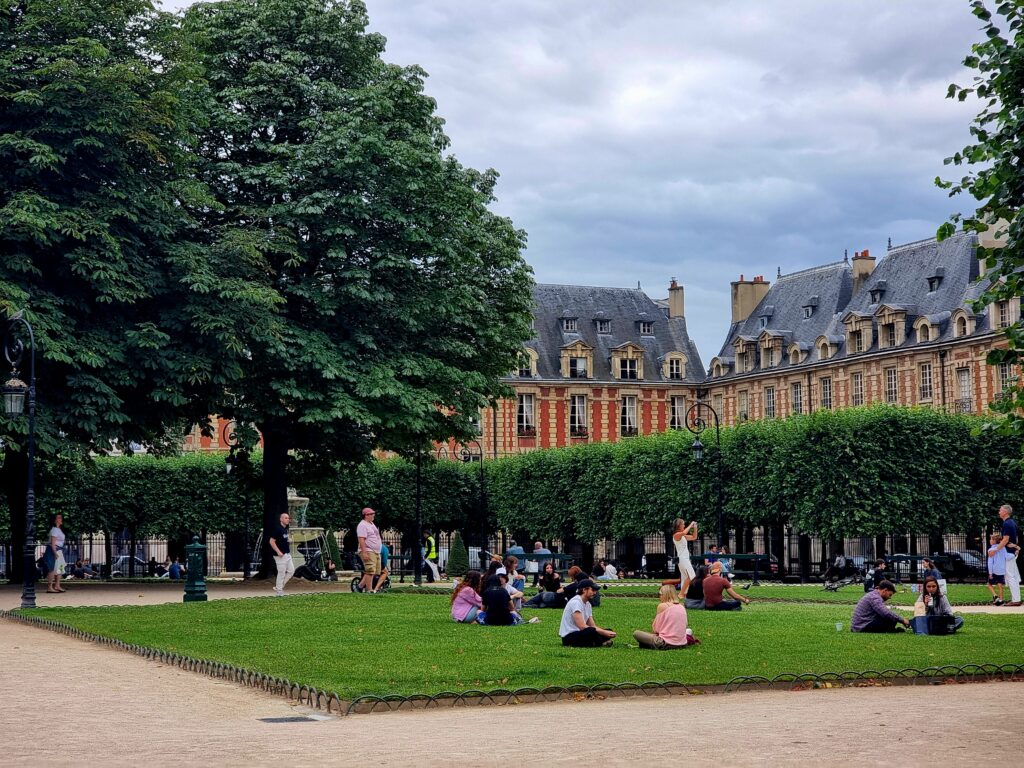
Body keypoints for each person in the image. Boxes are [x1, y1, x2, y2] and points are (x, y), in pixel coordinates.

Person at [633, 585, 699, 650]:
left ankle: (647, 644)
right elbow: (685, 625)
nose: (659, 597)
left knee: (636, 633)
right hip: (682, 643)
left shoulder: (662, 606)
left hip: (665, 643)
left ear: (664, 594)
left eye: (660, 594)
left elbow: (656, 629)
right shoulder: (682, 606)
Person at [559, 579, 616, 646]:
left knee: (606, 630)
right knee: (591, 631)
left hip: (580, 633)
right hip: (570, 637)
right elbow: (582, 626)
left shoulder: (587, 604)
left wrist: (605, 632)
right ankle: (599, 643)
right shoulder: (576, 602)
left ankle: (596, 642)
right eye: (592, 590)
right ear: (584, 590)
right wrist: (603, 632)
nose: (595, 593)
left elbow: (592, 625)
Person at [993, 504, 1022, 606]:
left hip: (1008, 554)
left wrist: (995, 550)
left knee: (1010, 576)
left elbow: (1005, 539)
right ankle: (1016, 599)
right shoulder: (1012, 523)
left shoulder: (1007, 524)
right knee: (1013, 576)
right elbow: (1016, 538)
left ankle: (1015, 600)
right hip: (1011, 552)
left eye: (1000, 510)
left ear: (1005, 512)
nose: (999, 512)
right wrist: (1016, 547)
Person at [356, 507, 382, 594]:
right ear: (366, 515)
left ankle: (359, 587)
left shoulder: (371, 524)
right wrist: (364, 552)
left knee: (375, 571)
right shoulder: (362, 525)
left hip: (375, 551)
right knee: (370, 570)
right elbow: (361, 539)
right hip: (368, 550)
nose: (373, 515)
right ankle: (369, 590)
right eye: (371, 514)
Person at [269, 511, 294, 597]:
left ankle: (279, 587)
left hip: (287, 554)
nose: (288, 520)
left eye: (288, 518)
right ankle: (279, 591)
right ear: (281, 519)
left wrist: (288, 540)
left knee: (291, 571)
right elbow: (271, 541)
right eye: (286, 518)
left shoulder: (284, 529)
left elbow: (282, 539)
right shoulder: (277, 529)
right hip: (280, 555)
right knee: (281, 573)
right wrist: (278, 552)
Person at [672, 518, 698, 596]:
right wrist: (690, 524)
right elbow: (683, 532)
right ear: (678, 525)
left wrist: (695, 528)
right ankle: (681, 594)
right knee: (691, 576)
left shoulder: (682, 536)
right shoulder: (676, 535)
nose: (684, 525)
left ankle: (685, 593)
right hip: (683, 559)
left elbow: (694, 537)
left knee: (686, 577)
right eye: (683, 524)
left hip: (685, 559)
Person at [43, 513, 67, 593]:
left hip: (58, 550)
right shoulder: (54, 530)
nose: (61, 519)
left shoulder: (58, 529)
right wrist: (55, 553)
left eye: (61, 517)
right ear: (55, 520)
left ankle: (57, 585)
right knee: (52, 569)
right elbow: (53, 543)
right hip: (53, 550)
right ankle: (49, 587)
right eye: (59, 518)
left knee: (60, 568)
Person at [987, 533, 1007, 606]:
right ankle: (1001, 600)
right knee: (1000, 584)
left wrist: (990, 573)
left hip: (994, 569)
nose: (990, 540)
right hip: (1002, 569)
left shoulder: (991, 550)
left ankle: (995, 596)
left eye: (991, 539)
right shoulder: (1003, 548)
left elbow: (990, 562)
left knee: (989, 584)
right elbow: (1006, 557)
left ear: (994, 541)